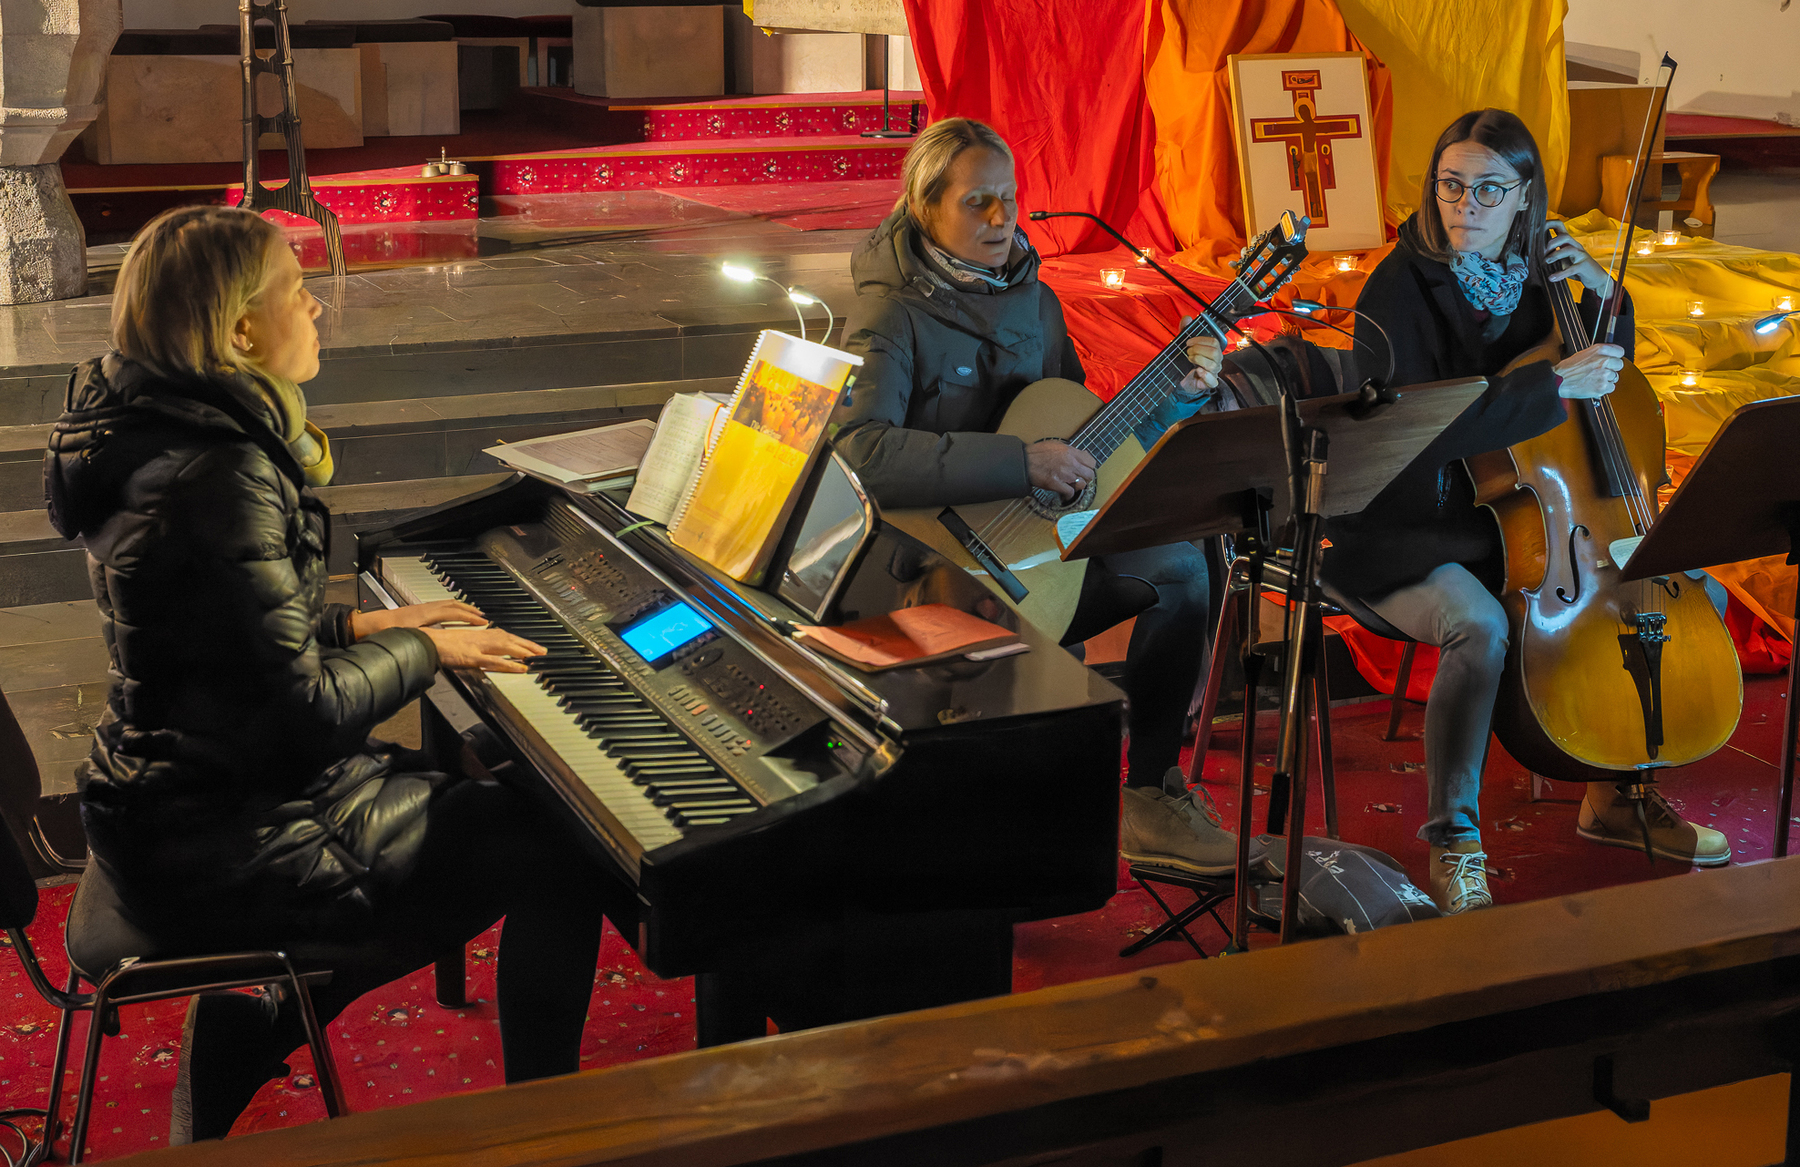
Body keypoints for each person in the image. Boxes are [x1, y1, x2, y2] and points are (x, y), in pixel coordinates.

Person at [44, 206, 633, 1143]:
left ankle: (262, 1026)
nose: (316, 307)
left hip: (170, 806)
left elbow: (216, 638)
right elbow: (302, 713)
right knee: (563, 843)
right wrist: (427, 651)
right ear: (242, 332)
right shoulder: (218, 470)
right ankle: (544, 1126)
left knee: (496, 795)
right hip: (226, 841)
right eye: (296, 291)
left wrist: (364, 624)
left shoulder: (155, 434)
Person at [1336, 108, 1729, 914]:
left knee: (1688, 595)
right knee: (1479, 626)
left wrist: (1605, 293)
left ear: (1525, 196)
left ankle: (1617, 793)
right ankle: (1454, 838)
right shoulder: (1399, 286)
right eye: (1451, 185)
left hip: (1522, 526)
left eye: (1489, 188)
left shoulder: (1538, 278)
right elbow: (1416, 429)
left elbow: (1604, 392)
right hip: (1409, 524)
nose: (1465, 204)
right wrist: (1551, 385)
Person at [834, 117, 1232, 874]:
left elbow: (1081, 438)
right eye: (976, 201)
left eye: (1009, 198)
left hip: (1032, 555)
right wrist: (1020, 463)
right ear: (924, 207)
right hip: (933, 573)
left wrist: (1169, 404)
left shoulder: (1036, 302)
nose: (1000, 218)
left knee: (1182, 566)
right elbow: (864, 452)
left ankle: (1152, 794)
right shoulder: (891, 312)